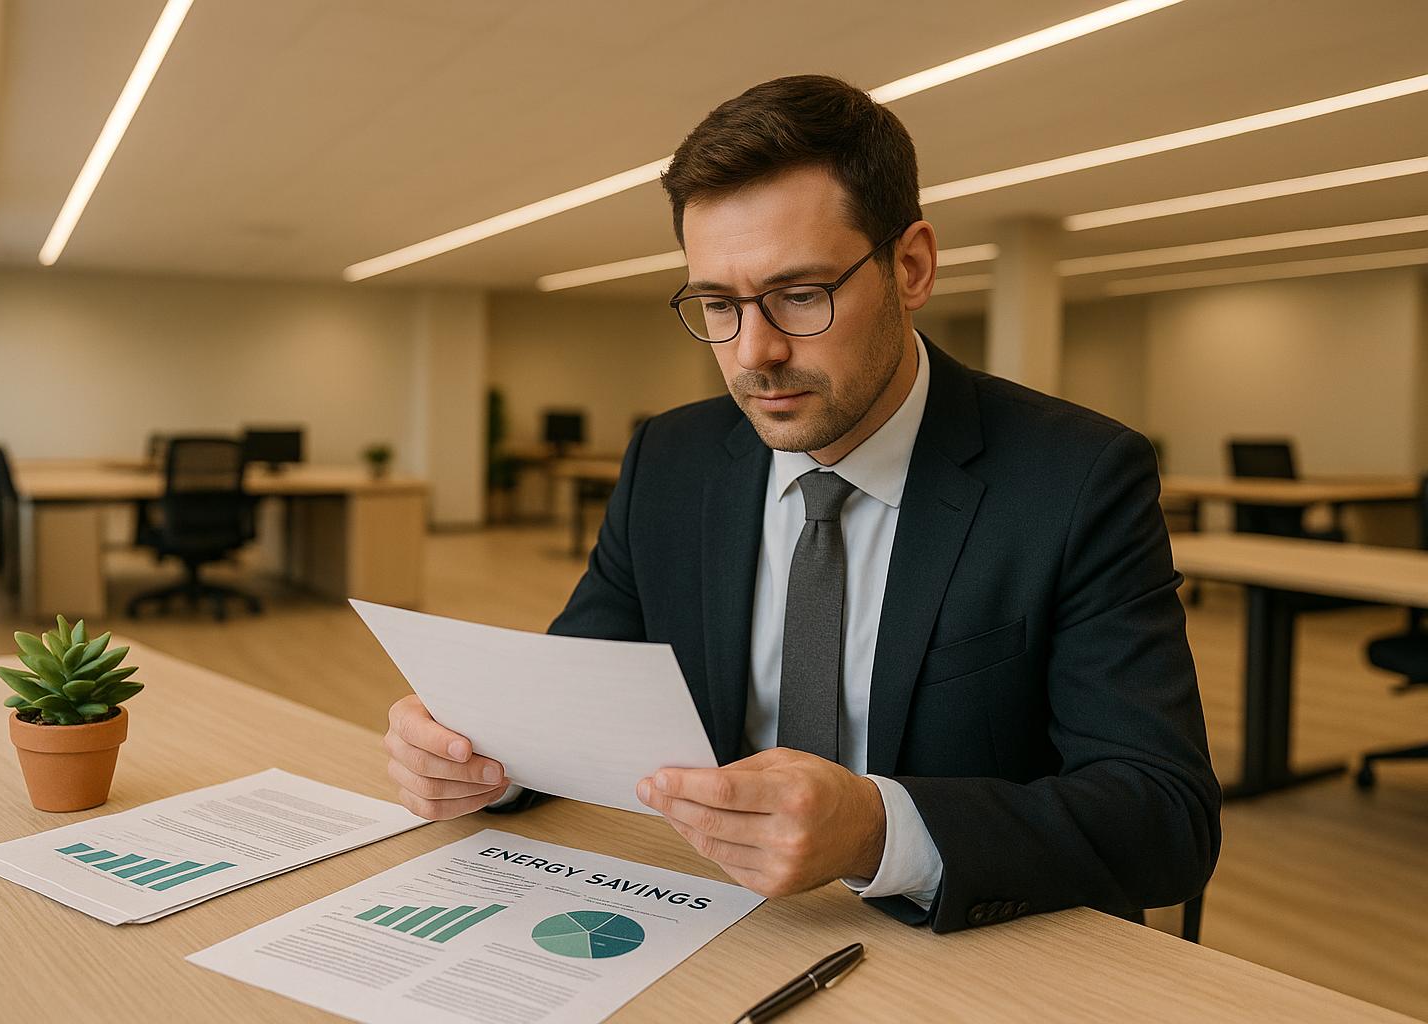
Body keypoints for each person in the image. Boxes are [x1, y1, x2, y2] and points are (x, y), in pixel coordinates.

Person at [383, 74, 1220, 933]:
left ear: (912, 266)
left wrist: (876, 830)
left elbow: (1164, 815)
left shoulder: (1076, 477)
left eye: (800, 294)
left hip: (968, 950)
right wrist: (481, 753)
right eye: (717, 303)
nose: (756, 352)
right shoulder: (671, 460)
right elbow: (573, 694)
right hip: (710, 922)